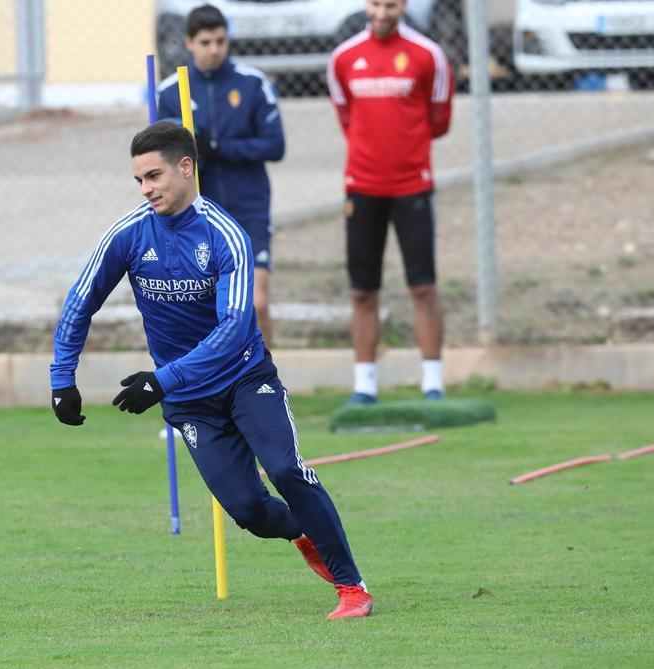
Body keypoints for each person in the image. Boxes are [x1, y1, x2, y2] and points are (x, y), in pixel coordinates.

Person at [49, 121, 373, 619]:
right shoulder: (129, 233)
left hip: (245, 379)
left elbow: (233, 329)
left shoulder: (226, 235)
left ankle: (352, 588)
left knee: (286, 468)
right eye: (138, 180)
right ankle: (301, 531)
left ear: (186, 167)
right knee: (249, 511)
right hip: (190, 403)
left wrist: (161, 379)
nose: (146, 188)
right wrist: (61, 380)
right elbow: (80, 302)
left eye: (154, 175)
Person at [327, 0, 454, 404]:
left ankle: (432, 383)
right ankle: (365, 385)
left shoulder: (428, 55)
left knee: (424, 286)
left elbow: (439, 121)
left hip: (412, 186)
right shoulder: (343, 58)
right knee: (363, 291)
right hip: (362, 186)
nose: (382, 13)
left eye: (392, 5)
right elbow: (346, 116)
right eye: (377, 4)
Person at [157, 4, 285, 346]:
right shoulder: (171, 92)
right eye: (206, 42)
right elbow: (160, 163)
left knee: (256, 304)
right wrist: (189, 156)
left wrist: (219, 146)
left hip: (248, 209)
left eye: (220, 41)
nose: (214, 49)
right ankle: (211, 392)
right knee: (204, 312)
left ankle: (267, 387)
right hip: (197, 216)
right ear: (189, 43)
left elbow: (275, 145)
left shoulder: (252, 83)